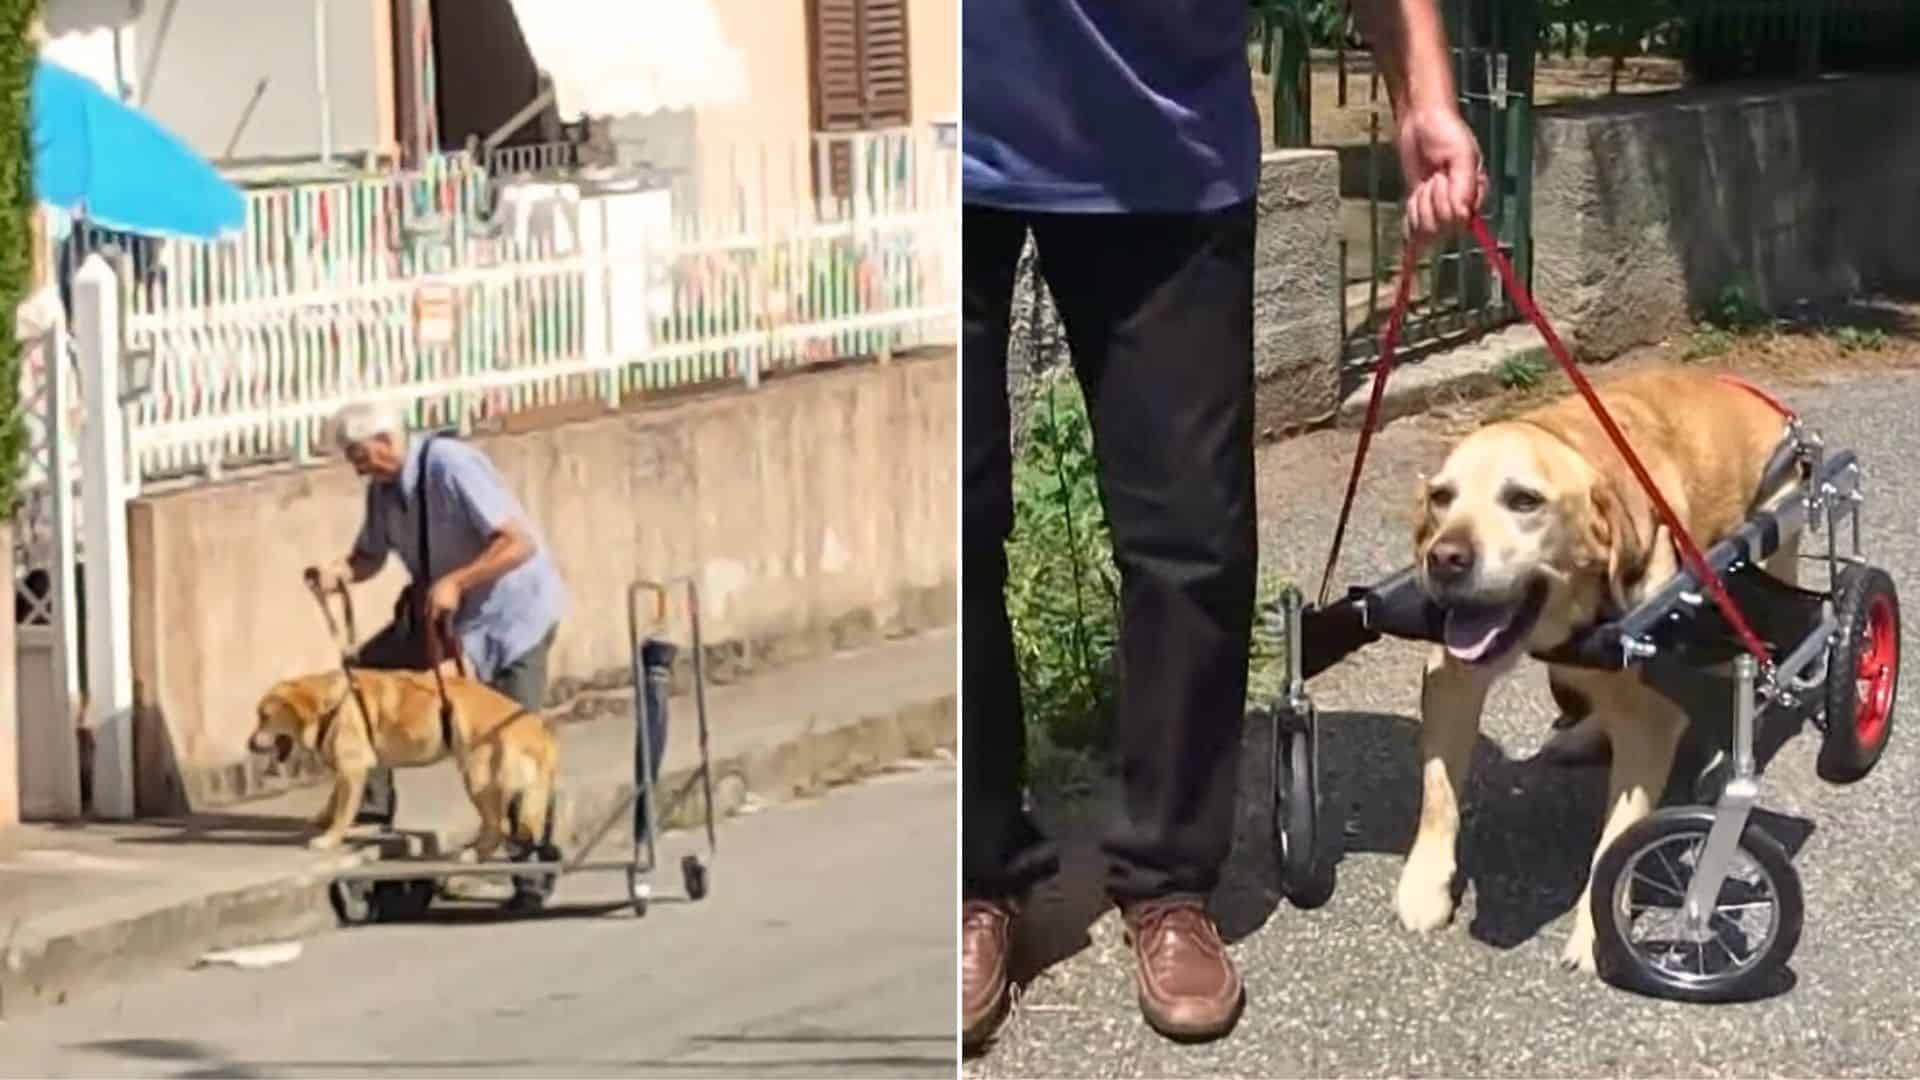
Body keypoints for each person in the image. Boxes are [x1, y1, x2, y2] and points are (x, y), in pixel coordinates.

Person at [961, 0, 1487, 1049]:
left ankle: (1167, 881)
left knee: (1190, 537)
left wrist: (1424, 91)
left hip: (1166, 149)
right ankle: (971, 874)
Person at [305, 402, 568, 863]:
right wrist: (338, 572)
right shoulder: (382, 490)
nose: (356, 467)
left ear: (386, 441)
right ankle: (369, 807)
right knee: (365, 678)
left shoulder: (452, 466)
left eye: (359, 454)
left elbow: (517, 541)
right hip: (449, 618)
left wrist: (456, 581)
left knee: (513, 739)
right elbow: (369, 556)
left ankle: (530, 861)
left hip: (512, 617)